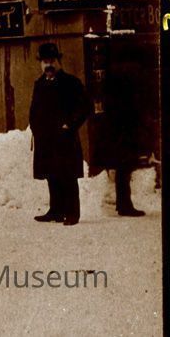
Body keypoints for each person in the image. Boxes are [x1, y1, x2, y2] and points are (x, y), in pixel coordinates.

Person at [29, 42, 89, 226]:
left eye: (51, 61)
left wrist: (69, 125)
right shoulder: (39, 84)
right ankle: (55, 211)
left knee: (67, 175)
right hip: (46, 139)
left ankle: (72, 213)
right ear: (41, 64)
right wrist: (36, 129)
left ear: (58, 61)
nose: (48, 65)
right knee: (51, 175)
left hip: (65, 138)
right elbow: (34, 110)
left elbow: (85, 107)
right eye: (45, 62)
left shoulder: (71, 83)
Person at [89, 66, 145, 217]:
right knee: (124, 170)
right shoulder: (123, 99)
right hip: (122, 137)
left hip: (118, 136)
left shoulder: (110, 95)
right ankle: (124, 205)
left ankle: (123, 204)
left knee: (123, 170)